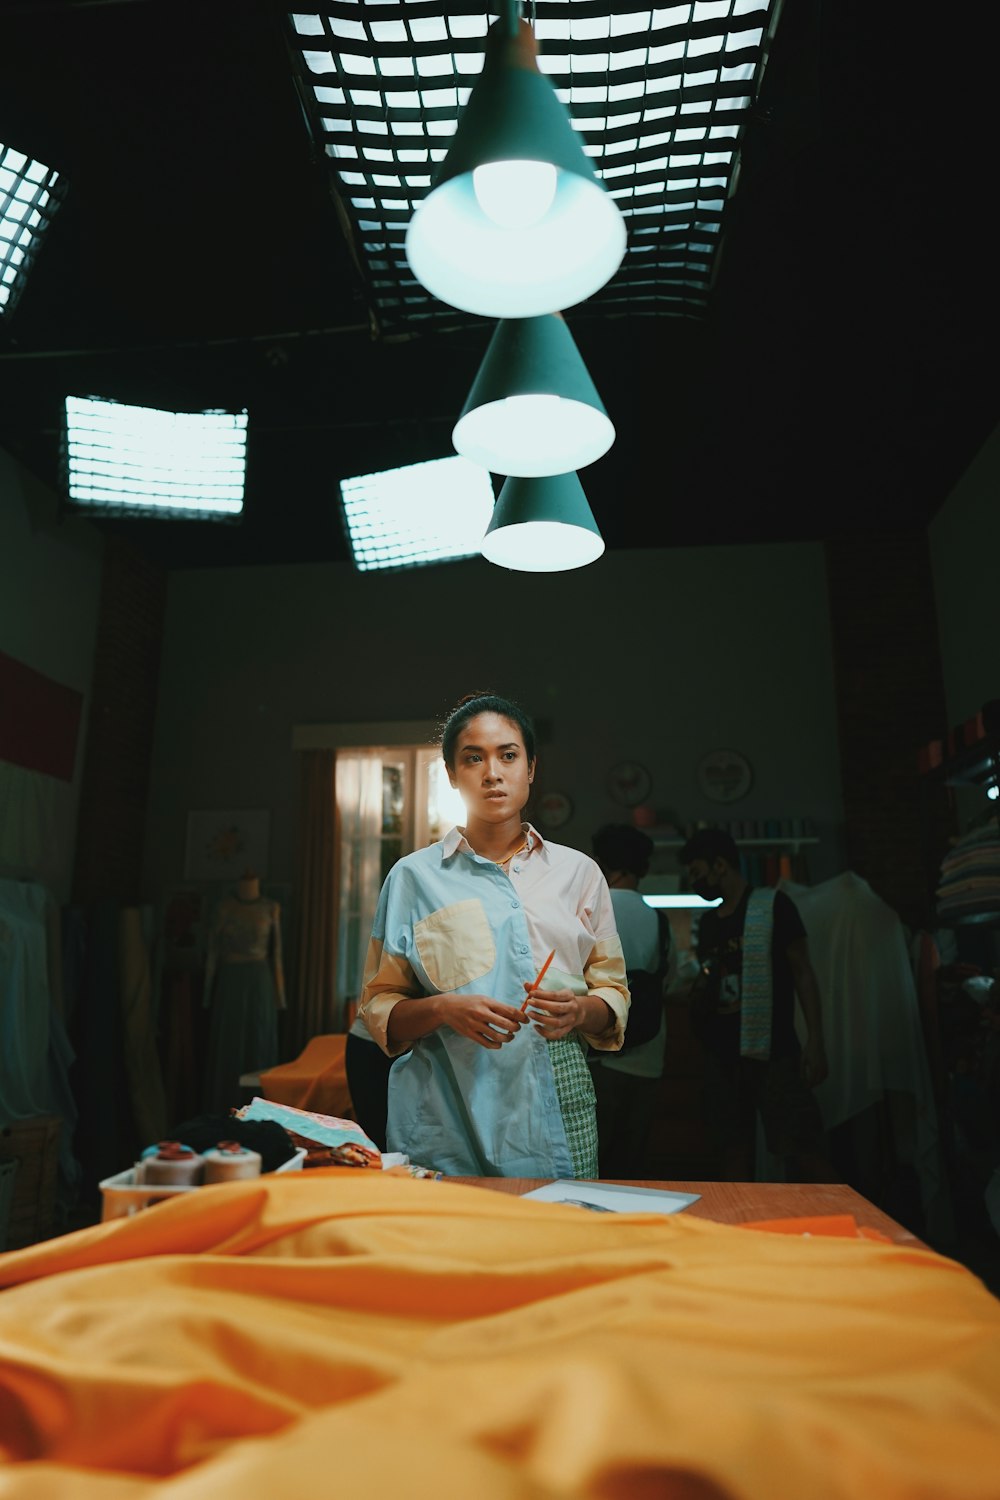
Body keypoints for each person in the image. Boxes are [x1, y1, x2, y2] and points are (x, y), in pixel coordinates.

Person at [357, 691, 630, 1177]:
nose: (492, 773)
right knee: (449, 1247)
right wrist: (442, 1007)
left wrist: (580, 1010)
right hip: (444, 1112)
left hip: (555, 1107)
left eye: (508, 755)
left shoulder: (580, 873)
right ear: (451, 775)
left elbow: (613, 990)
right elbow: (379, 1007)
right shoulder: (412, 877)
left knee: (557, 1241)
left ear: (531, 768)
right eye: (472, 758)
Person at [679, 827, 832, 1182]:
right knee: (731, 1149)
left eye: (698, 872)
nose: (695, 881)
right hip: (722, 1055)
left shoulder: (773, 904)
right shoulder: (710, 923)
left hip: (773, 1051)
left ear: (720, 865)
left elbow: (803, 973)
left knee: (800, 1145)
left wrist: (816, 1039)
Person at [589, 823, 674, 1178]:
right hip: (649, 1057)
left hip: (600, 1056)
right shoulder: (659, 918)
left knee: (593, 1161)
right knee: (631, 1161)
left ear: (605, 866)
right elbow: (672, 979)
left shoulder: (593, 910)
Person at [202, 869, 285, 1113]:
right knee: (229, 1040)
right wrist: (207, 994)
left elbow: (277, 954)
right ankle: (223, 1104)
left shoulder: (271, 907)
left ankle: (256, 1108)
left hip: (260, 981)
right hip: (229, 981)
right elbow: (212, 954)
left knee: (257, 1040)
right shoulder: (224, 907)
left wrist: (280, 997)